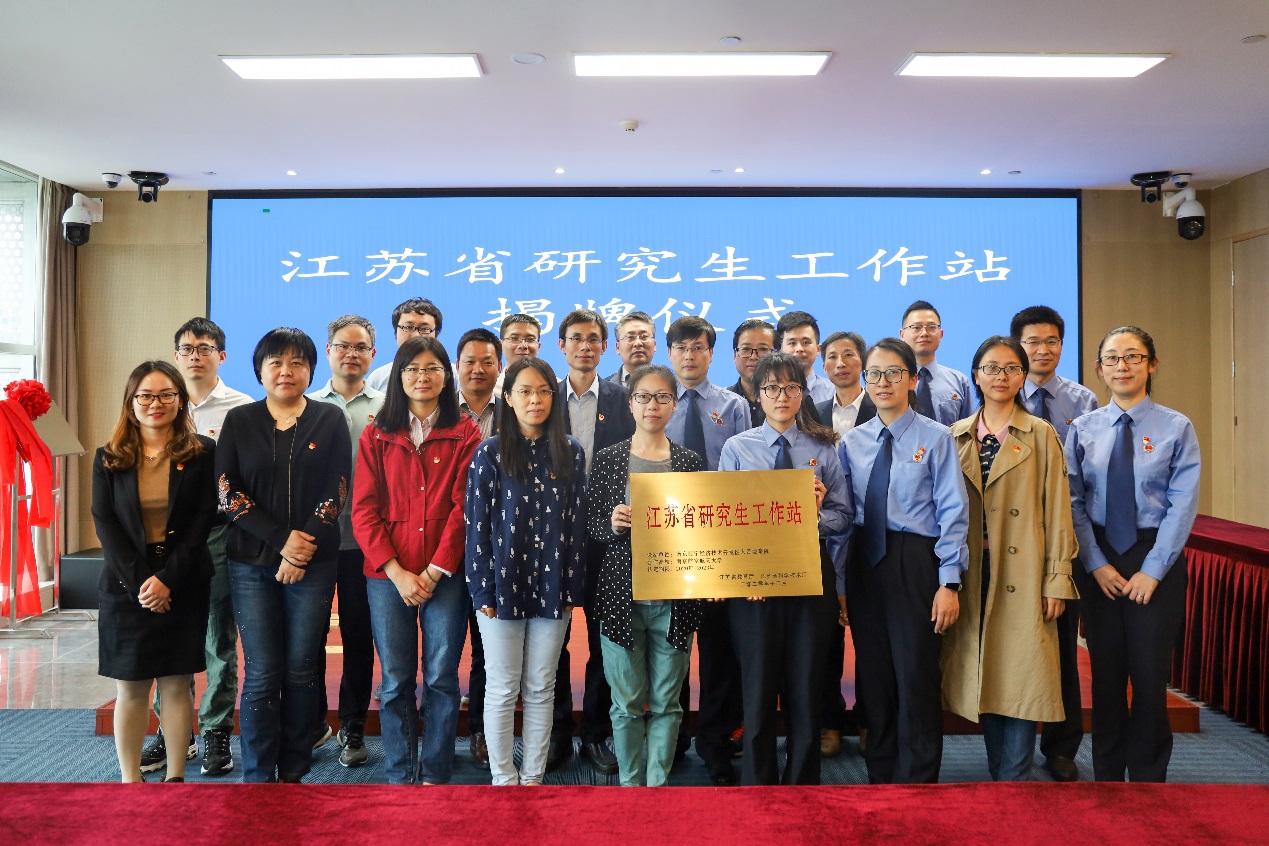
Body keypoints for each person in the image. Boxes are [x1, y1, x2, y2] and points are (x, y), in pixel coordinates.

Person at [216, 328, 351, 783]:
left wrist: (299, 550)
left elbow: (337, 489)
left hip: (314, 563)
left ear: (311, 370)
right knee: (261, 671)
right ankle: (257, 775)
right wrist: (280, 541)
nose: (286, 371)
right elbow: (227, 492)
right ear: (260, 370)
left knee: (300, 669)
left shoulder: (329, 418)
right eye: (275, 362)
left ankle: (294, 772)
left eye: (297, 362)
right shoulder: (240, 420)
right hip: (250, 563)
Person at [1066, 326, 1200, 783]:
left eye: (1133, 357)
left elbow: (1182, 505)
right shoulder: (1082, 429)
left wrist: (1154, 570)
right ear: (1099, 368)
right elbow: (1073, 503)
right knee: (1105, 675)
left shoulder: (1176, 427)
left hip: (1154, 554)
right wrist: (1095, 563)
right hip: (1100, 556)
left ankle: (1148, 777)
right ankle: (1106, 774)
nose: (1122, 366)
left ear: (1151, 364)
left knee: (1148, 675)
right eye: (1112, 358)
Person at [944, 336, 1078, 781]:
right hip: (973, 572)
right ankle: (1000, 773)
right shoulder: (955, 436)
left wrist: (1057, 578)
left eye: (1011, 368)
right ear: (976, 376)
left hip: (1025, 571)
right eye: (991, 368)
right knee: (987, 671)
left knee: (1022, 672)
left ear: (1023, 377)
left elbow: (1059, 511)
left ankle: (1014, 781)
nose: (1000, 376)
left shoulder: (1041, 434)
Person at [840, 337, 970, 784]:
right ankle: (881, 771)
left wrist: (948, 582)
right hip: (865, 560)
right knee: (874, 673)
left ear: (912, 380)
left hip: (915, 560)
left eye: (894, 373)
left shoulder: (936, 437)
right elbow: (844, 515)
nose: (883, 382)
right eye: (874, 374)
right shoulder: (851, 442)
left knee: (915, 671)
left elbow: (953, 511)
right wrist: (840, 584)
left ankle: (918, 776)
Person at [718, 352, 852, 785]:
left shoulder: (824, 447)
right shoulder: (737, 448)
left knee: (805, 685)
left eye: (791, 387)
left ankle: (802, 784)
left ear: (802, 394)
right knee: (757, 687)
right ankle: (757, 784)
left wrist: (814, 515)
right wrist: (744, 572)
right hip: (753, 585)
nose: (782, 396)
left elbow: (844, 517)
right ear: (757, 395)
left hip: (810, 580)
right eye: (772, 388)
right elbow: (724, 521)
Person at [353, 335, 482, 784]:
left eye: (432, 368)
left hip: (445, 574)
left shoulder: (465, 432)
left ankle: (435, 770)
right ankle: (401, 772)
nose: (422, 377)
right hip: (388, 576)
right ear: (398, 377)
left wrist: (433, 570)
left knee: (442, 677)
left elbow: (465, 508)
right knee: (395, 678)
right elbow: (363, 510)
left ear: (446, 376)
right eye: (412, 369)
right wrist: (397, 572)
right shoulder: (377, 433)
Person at [465, 357, 588, 786]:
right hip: (502, 588)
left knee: (540, 686)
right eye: (525, 391)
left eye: (543, 391)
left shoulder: (570, 451)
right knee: (502, 686)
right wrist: (483, 592)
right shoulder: (490, 453)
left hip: (554, 588)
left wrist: (571, 588)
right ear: (509, 398)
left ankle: (532, 776)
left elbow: (576, 525)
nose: (535, 400)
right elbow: (477, 528)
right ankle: (503, 777)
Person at [92, 361, 217, 782]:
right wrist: (143, 584)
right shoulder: (109, 457)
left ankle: (175, 776)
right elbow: (105, 523)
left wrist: (167, 580)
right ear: (131, 402)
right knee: (130, 686)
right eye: (145, 396)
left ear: (180, 400)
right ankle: (130, 780)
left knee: (176, 683)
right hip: (126, 584)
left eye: (166, 395)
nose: (155, 403)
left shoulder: (201, 452)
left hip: (183, 580)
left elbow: (202, 520)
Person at [140, 318, 252, 778]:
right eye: (186, 348)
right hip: (165, 539)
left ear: (221, 356)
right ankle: (173, 732)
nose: (194, 356)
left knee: (218, 635)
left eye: (204, 348)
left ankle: (216, 730)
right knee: (169, 633)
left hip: (219, 535)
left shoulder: (242, 408)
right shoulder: (162, 405)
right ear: (176, 355)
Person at [588, 364, 705, 786]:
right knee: (625, 703)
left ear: (674, 404)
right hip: (622, 595)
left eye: (661, 397)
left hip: (674, 598)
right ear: (630, 403)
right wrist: (612, 523)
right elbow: (592, 525)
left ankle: (657, 787)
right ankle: (630, 786)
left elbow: (701, 530)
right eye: (643, 397)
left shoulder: (689, 463)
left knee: (668, 702)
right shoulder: (609, 459)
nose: (652, 405)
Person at [1010, 305, 1099, 782]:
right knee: (1018, 641)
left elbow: (1086, 477)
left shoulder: (1082, 401)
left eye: (1051, 341)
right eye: (1032, 342)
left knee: (1063, 642)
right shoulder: (999, 392)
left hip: (1062, 536)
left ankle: (1062, 746)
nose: (1042, 350)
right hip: (1011, 538)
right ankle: (1012, 743)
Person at [664, 315, 751, 784]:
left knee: (719, 649)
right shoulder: (656, 400)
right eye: (681, 348)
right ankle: (672, 737)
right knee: (672, 644)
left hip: (720, 541)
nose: (689, 356)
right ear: (670, 354)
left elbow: (744, 473)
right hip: (670, 539)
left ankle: (716, 741)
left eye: (698, 347)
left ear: (711, 353)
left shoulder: (733, 406)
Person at [549, 308, 636, 774]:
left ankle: (598, 732)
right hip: (554, 536)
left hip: (610, 535)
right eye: (576, 338)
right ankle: (558, 731)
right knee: (553, 636)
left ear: (605, 347)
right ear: (561, 345)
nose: (585, 346)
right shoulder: (544, 395)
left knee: (606, 639)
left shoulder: (623, 399)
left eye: (594, 339)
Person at [307, 315, 384, 766]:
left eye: (360, 347)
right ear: (329, 351)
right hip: (316, 543)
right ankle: (313, 721)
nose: (351, 354)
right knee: (310, 636)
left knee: (359, 636)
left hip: (367, 544)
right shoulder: (308, 405)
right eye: (342, 346)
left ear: (373, 354)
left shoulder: (389, 407)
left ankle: (353, 724)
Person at [815, 330, 875, 758]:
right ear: (823, 364)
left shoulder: (884, 406)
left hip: (872, 536)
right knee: (826, 640)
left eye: (849, 355)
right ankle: (830, 722)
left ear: (863, 363)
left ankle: (870, 720)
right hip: (827, 537)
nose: (840, 363)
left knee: (871, 636)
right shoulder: (813, 413)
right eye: (832, 356)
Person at [454, 327, 505, 768]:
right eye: (470, 361)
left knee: (487, 646)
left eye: (487, 361)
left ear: (499, 367)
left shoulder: (516, 411)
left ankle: (481, 732)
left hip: (496, 546)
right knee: (446, 644)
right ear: (457, 366)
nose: (478, 369)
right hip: (448, 543)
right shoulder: (440, 412)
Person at [898, 300, 974, 426]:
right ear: (902, 335)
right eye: (916, 328)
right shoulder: (892, 381)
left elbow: (968, 432)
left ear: (941, 334)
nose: (924, 333)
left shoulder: (959, 382)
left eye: (931, 327)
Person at [366, 297, 443, 392]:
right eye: (408, 327)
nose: (416, 335)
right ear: (395, 333)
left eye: (424, 329)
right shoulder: (378, 378)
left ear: (436, 335)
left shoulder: (452, 375)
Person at [777, 311, 835, 405]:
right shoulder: (768, 392)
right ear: (780, 350)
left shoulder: (834, 393)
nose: (799, 349)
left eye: (806, 342)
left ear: (818, 349)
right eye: (792, 343)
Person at [494, 312, 542, 395]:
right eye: (514, 338)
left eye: (530, 339)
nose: (523, 345)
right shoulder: (490, 390)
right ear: (501, 345)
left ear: (538, 346)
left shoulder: (555, 387)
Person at [609, 311, 657, 389]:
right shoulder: (602, 390)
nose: (638, 343)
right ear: (618, 348)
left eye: (644, 336)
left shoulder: (670, 386)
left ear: (654, 345)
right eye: (630, 337)